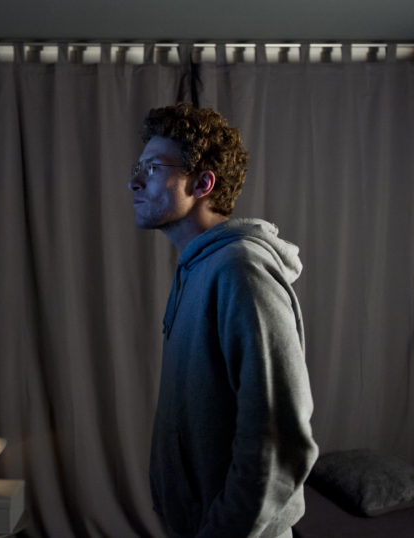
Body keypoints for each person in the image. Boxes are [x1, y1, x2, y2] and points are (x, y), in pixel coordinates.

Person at [129, 102, 317, 538]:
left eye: (153, 168)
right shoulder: (197, 268)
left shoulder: (241, 270)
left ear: (203, 182)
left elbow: (279, 441)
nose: (133, 180)